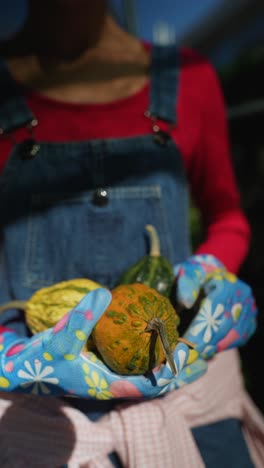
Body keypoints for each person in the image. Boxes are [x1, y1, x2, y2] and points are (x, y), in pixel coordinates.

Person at [0, 1, 263, 466]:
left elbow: (226, 215)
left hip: (190, 413)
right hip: (40, 431)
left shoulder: (189, 78)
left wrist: (213, 269)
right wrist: (7, 359)